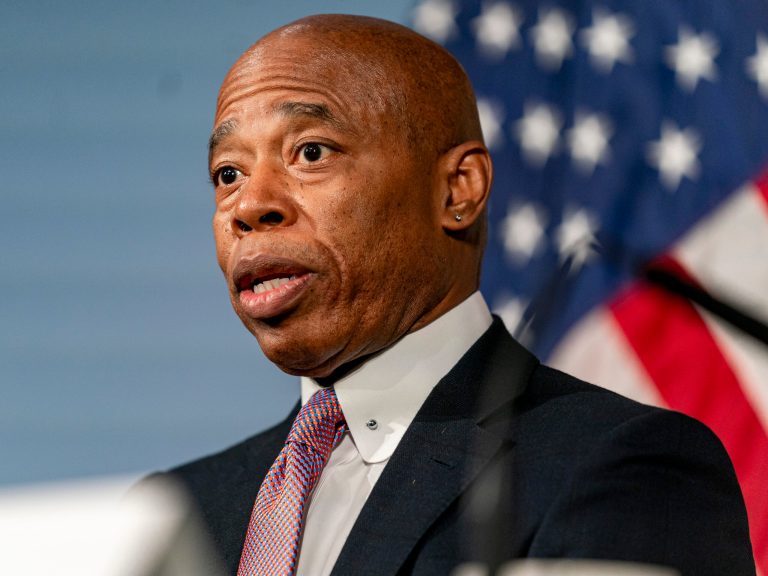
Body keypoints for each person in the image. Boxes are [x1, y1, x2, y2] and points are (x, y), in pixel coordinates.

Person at [159, 14, 754, 576]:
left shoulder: (623, 464)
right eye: (228, 174)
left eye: (311, 152)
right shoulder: (174, 512)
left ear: (457, 190)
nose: (248, 205)